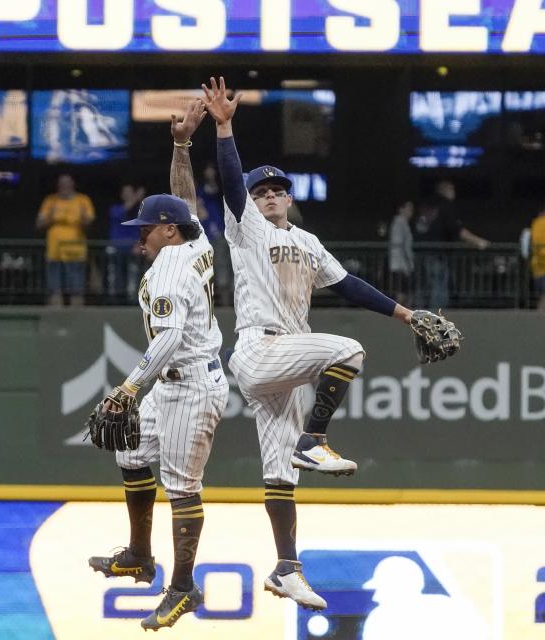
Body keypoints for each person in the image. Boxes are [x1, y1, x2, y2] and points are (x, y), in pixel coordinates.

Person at [202, 76, 415, 611]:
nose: (269, 197)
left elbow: (347, 286)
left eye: (277, 191)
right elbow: (231, 184)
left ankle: (286, 567)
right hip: (259, 347)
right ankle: (313, 437)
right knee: (347, 350)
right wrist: (225, 127)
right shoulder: (245, 227)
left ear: (290, 197)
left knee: (279, 474)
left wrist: (405, 313)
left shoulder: (307, 241)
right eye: (261, 192)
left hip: (289, 362)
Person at [88, 100, 229, 632]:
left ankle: (183, 588)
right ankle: (141, 557)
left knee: (183, 486)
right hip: (172, 383)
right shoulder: (195, 242)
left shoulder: (170, 268)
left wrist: (127, 389)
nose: (138, 237)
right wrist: (181, 145)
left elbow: (167, 341)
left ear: (165, 232)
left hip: (190, 384)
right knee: (129, 451)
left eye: (144, 230)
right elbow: (185, 204)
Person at [361, 556, 489, 640]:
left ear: (399, 587)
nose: (376, 597)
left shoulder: (382, 618)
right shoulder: (449, 606)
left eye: (383, 588)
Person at [413, 181, 489, 310]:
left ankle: (417, 319)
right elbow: (456, 229)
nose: (454, 192)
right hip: (437, 253)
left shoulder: (425, 205)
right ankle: (436, 319)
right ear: (445, 190)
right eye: (452, 189)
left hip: (421, 252)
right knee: (438, 287)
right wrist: (478, 242)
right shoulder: (445, 205)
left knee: (422, 288)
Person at [36, 174, 95, 306]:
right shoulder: (50, 200)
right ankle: (55, 321)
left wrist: (83, 217)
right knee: (54, 289)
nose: (64, 186)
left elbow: (89, 223)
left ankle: (77, 320)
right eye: (62, 183)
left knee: (76, 289)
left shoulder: (83, 200)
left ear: (73, 184)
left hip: (76, 251)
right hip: (54, 252)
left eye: (67, 183)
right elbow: (39, 224)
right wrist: (51, 215)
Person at [196, 162, 232, 305]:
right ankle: (205, 302)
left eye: (212, 171)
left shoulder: (216, 191)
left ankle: (225, 300)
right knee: (204, 270)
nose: (210, 173)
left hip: (219, 235)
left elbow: (213, 190)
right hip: (202, 238)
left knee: (222, 265)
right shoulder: (198, 191)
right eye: (208, 171)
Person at [106, 182, 146, 304]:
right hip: (117, 249)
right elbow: (124, 210)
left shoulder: (140, 212)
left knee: (133, 277)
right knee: (115, 277)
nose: (128, 195)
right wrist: (136, 197)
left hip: (133, 250)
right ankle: (115, 300)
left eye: (131, 193)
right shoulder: (115, 209)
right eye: (126, 193)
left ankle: (132, 300)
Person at [388, 201, 415, 305]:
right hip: (400, 264)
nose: (411, 212)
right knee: (402, 291)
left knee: (403, 290)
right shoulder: (400, 223)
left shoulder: (401, 223)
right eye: (408, 209)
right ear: (401, 209)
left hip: (398, 263)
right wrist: (409, 263)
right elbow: (403, 245)